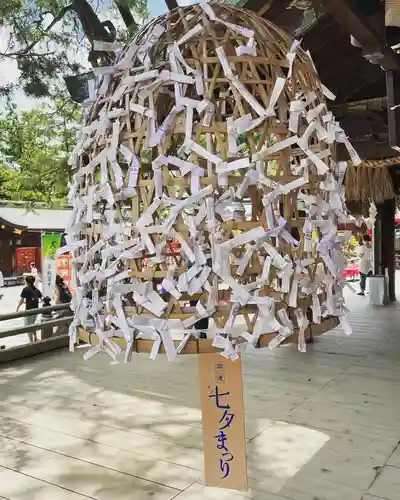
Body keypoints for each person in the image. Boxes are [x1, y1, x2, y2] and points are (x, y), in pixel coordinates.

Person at [17, 275, 42, 343]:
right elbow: (41, 297)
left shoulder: (25, 289)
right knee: (32, 324)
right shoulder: (36, 289)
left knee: (28, 327)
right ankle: (35, 338)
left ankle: (31, 342)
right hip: (36, 310)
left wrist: (18, 307)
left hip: (29, 311)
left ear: (27, 282)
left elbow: (22, 300)